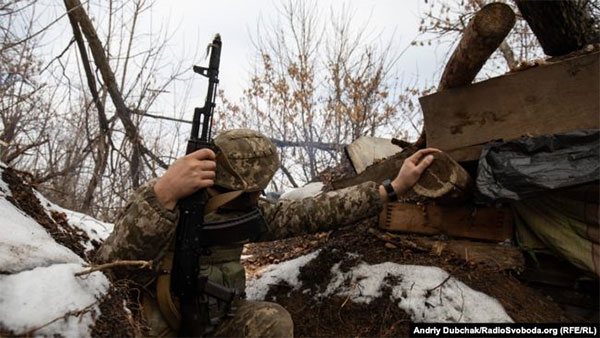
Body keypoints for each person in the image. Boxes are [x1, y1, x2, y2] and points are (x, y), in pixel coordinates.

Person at [97, 129, 437, 337]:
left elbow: (314, 212)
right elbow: (110, 266)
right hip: (155, 327)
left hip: (216, 324)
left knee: (272, 321)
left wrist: (390, 189)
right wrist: (165, 195)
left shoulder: (248, 211)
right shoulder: (159, 197)